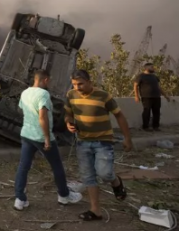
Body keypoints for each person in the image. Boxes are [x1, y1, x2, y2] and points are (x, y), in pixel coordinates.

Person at [65, 69, 133, 221]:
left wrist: (127, 138)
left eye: (80, 84)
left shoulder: (103, 96)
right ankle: (95, 210)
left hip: (103, 142)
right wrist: (69, 123)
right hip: (83, 142)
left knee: (105, 174)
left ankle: (116, 182)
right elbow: (68, 114)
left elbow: (119, 115)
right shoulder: (71, 95)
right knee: (88, 176)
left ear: (90, 82)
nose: (77, 87)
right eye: (74, 84)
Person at [13, 69, 82, 211]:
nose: (48, 83)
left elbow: (21, 110)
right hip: (40, 136)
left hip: (26, 134)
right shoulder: (44, 94)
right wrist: (47, 139)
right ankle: (64, 195)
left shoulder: (25, 92)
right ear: (45, 80)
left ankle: (20, 199)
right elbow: (42, 117)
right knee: (57, 166)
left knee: (23, 167)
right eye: (48, 81)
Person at [133, 63, 171, 131]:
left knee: (157, 112)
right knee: (147, 111)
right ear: (146, 68)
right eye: (152, 67)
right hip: (146, 97)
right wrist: (136, 96)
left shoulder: (154, 76)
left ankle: (156, 126)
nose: (153, 68)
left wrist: (165, 95)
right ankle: (145, 127)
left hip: (156, 96)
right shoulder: (141, 76)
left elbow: (158, 87)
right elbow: (135, 85)